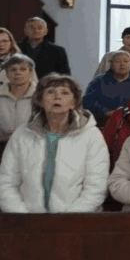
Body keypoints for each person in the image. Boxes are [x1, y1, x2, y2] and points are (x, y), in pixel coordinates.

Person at [0, 74, 107, 213]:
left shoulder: (91, 135)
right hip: (26, 218)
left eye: (65, 93)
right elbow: (6, 182)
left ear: (74, 103)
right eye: (50, 92)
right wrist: (22, 216)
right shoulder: (21, 134)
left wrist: (68, 219)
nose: (57, 97)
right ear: (40, 100)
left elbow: (96, 187)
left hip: (76, 219)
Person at [83, 51, 130, 126]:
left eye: (126, 61)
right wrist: (105, 112)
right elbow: (88, 101)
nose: (122, 64)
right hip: (103, 123)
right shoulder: (98, 81)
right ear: (111, 64)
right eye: (118, 62)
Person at [0, 54, 37, 143]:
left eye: (23, 69)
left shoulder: (41, 96)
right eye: (13, 70)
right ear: (7, 74)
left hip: (32, 144)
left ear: (31, 73)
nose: (18, 73)